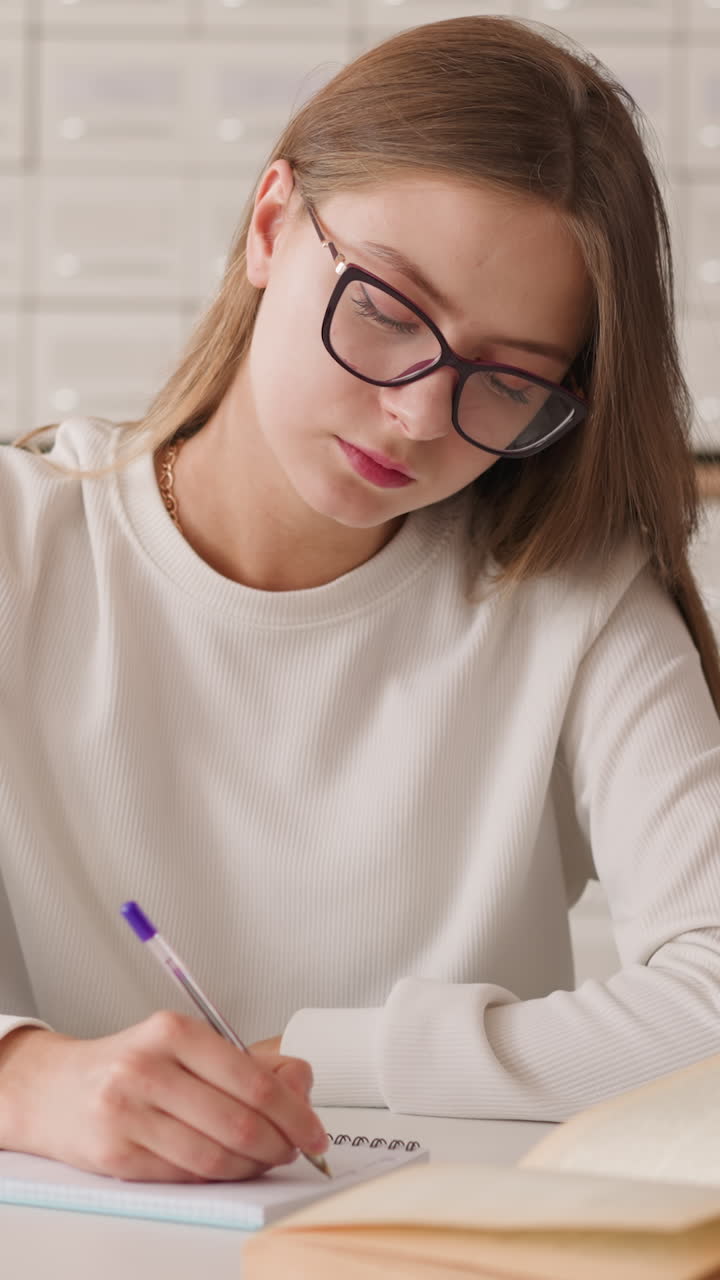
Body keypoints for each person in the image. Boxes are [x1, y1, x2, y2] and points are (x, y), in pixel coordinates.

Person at [0, 13, 719, 1186]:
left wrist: (333, 1053)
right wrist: (26, 1076)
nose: (421, 415)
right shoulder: (20, 551)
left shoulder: (571, 601)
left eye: (508, 379)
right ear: (272, 224)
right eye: (387, 311)